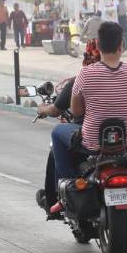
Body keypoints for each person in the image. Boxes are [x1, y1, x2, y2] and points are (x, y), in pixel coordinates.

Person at [50, 22, 127, 188]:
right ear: (121, 45)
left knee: (57, 132)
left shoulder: (85, 74)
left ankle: (68, 182)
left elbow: (77, 112)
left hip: (93, 143)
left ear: (98, 45)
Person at [35, 40, 101, 216]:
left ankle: (64, 191)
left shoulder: (81, 79)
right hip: (121, 136)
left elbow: (61, 109)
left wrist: (41, 108)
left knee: (57, 135)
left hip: (89, 135)